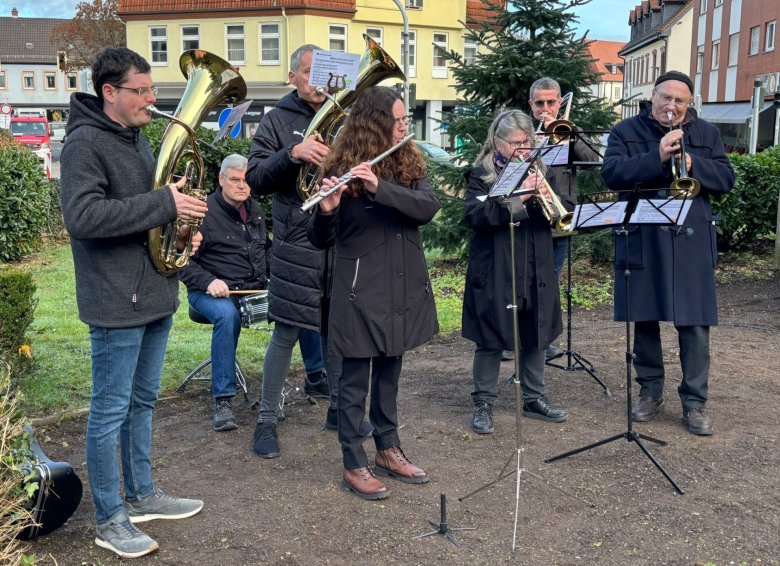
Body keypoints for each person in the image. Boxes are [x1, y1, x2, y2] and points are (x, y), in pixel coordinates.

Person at [59, 47, 205, 559]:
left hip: (154, 293)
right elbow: (83, 217)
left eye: (151, 88)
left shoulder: (137, 139)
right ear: (110, 93)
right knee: (108, 411)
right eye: (141, 90)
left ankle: (141, 495)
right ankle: (109, 517)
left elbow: (141, 212)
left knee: (142, 403)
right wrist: (164, 203)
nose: (153, 98)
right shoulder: (82, 145)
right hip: (115, 300)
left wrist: (179, 225)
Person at [308, 85, 440, 500]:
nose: (405, 127)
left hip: (401, 284)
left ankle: (387, 447)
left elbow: (427, 207)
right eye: (398, 121)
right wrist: (327, 210)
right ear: (376, 125)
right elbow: (318, 238)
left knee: (389, 374)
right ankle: (353, 461)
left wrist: (380, 188)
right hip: (359, 289)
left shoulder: (408, 163)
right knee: (352, 383)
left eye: (405, 120)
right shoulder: (339, 165)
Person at [601, 70, 734, 436]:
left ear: (689, 104)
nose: (671, 106)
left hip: (691, 241)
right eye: (666, 98)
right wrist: (657, 156)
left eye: (680, 101)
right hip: (644, 236)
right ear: (653, 96)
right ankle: (650, 392)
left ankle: (694, 403)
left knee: (695, 324)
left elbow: (726, 179)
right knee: (644, 318)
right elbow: (610, 174)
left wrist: (694, 165)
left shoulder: (706, 133)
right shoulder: (625, 132)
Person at [246, 44, 334, 458]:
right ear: (293, 77)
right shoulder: (276, 120)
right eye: (308, 72)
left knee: (340, 329)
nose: (318, 80)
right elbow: (255, 177)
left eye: (324, 72)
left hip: (337, 237)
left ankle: (342, 410)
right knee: (286, 332)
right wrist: (293, 153)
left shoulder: (344, 116)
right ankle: (266, 421)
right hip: (296, 244)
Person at [462, 109, 567, 435]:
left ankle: (534, 398)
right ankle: (484, 402)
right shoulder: (481, 174)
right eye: (516, 143)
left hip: (535, 264)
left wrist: (546, 197)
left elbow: (560, 211)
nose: (523, 149)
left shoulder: (542, 169)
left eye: (528, 143)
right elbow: (475, 215)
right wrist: (519, 200)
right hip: (496, 266)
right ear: (497, 141)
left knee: (536, 334)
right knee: (491, 337)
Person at [180, 154, 270, 431]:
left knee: (299, 301)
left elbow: (265, 250)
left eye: (246, 180)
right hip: (207, 293)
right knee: (226, 315)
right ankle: (223, 401)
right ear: (221, 180)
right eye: (235, 180)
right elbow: (180, 260)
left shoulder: (255, 210)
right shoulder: (201, 211)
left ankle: (314, 377)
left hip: (252, 288)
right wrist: (208, 281)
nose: (242, 186)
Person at [529, 77, 601, 360]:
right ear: (531, 104)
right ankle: (516, 339)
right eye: (540, 103)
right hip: (529, 214)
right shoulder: (521, 130)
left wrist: (568, 137)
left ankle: (544, 340)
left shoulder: (570, 129)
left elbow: (594, 160)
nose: (545, 108)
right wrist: (532, 144)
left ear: (560, 103)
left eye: (551, 102)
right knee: (523, 280)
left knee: (551, 280)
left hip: (561, 215)